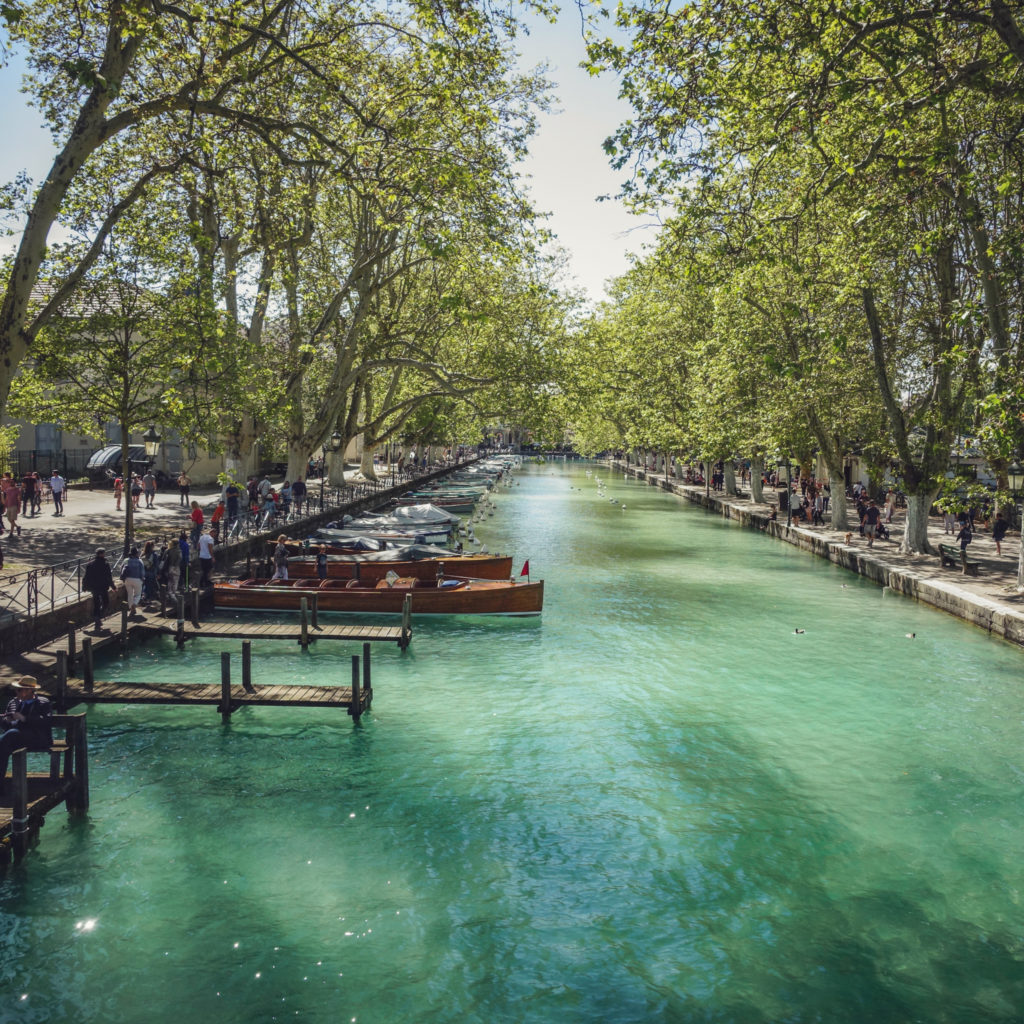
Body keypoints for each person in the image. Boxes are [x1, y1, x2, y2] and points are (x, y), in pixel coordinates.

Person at [0, 676, 53, 795]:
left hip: (38, 738)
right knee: (3, 748)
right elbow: (7, 726)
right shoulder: (13, 702)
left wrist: (24, 718)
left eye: (19, 690)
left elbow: (46, 721)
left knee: (10, 736)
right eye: (17, 690)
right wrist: (7, 721)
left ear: (29, 690)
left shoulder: (43, 702)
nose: (16, 692)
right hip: (15, 739)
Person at [83, 547, 115, 630]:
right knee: (106, 602)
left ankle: (97, 617)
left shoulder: (90, 564)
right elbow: (109, 577)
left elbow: (86, 577)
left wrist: (84, 586)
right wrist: (113, 586)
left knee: (96, 603)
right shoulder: (105, 564)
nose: (105, 554)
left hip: (94, 587)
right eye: (104, 553)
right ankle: (98, 616)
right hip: (103, 587)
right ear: (101, 554)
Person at [120, 545, 145, 614]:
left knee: (130, 594)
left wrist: (123, 578)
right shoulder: (140, 561)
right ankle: (134, 604)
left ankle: (131, 608)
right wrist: (142, 578)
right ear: (136, 553)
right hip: (137, 579)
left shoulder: (126, 560)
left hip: (127, 579)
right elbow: (142, 572)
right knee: (138, 594)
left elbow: (121, 569)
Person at [141, 539, 159, 604]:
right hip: (151, 572)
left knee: (145, 585)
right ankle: (147, 598)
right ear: (152, 546)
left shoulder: (143, 554)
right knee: (150, 586)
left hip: (144, 573)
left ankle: (144, 596)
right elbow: (156, 565)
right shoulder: (154, 554)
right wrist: (157, 573)